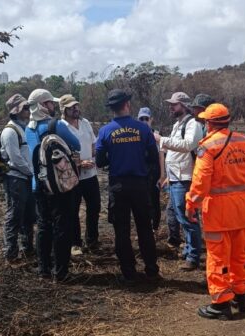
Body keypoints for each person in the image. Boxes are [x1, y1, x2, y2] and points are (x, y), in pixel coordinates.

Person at [185, 103, 245, 320]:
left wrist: (191, 203)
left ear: (209, 123)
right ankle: (241, 296)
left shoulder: (208, 146)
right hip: (241, 208)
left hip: (218, 211)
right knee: (239, 254)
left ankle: (220, 304)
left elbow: (201, 181)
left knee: (218, 257)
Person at [95, 89, 161, 285]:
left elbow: (99, 161)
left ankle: (129, 272)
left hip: (118, 186)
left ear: (112, 109)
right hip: (140, 185)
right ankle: (151, 269)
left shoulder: (105, 131)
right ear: (127, 105)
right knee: (144, 228)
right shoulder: (143, 129)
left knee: (121, 231)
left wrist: (114, 158)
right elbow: (152, 156)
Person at [25, 89, 81, 283]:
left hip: (37, 185)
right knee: (62, 226)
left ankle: (44, 270)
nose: (52, 107)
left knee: (43, 226)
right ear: (42, 105)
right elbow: (76, 144)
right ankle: (61, 271)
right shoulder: (54, 125)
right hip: (58, 185)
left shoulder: (28, 128)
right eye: (50, 103)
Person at [153, 92, 203, 271]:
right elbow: (175, 152)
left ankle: (194, 256)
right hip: (176, 177)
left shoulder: (193, 124)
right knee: (181, 216)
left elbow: (188, 145)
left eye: (174, 104)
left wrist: (162, 140)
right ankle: (190, 250)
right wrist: (167, 176)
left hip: (185, 178)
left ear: (184, 105)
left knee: (188, 218)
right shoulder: (178, 124)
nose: (171, 107)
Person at [59, 94, 101, 255]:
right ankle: (75, 243)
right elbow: (61, 152)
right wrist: (78, 163)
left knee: (94, 207)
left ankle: (92, 240)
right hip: (73, 175)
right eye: (71, 107)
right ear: (64, 110)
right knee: (73, 210)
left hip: (90, 173)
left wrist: (94, 156)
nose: (76, 109)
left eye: (76, 105)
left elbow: (93, 143)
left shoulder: (85, 123)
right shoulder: (60, 127)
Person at [0, 94, 35, 263]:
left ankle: (28, 249)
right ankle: (11, 253)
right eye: (25, 108)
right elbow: (15, 158)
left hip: (25, 178)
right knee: (14, 215)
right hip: (15, 179)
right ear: (16, 111)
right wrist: (31, 172)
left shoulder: (23, 128)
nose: (28, 111)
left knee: (28, 215)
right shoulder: (9, 131)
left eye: (28, 107)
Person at [137, 107, 165, 232]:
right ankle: (145, 226)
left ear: (151, 119)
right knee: (142, 200)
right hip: (140, 172)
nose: (144, 121)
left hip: (154, 171)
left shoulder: (157, 135)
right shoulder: (135, 134)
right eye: (141, 119)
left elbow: (161, 156)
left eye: (146, 119)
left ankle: (155, 226)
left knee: (154, 199)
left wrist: (162, 175)